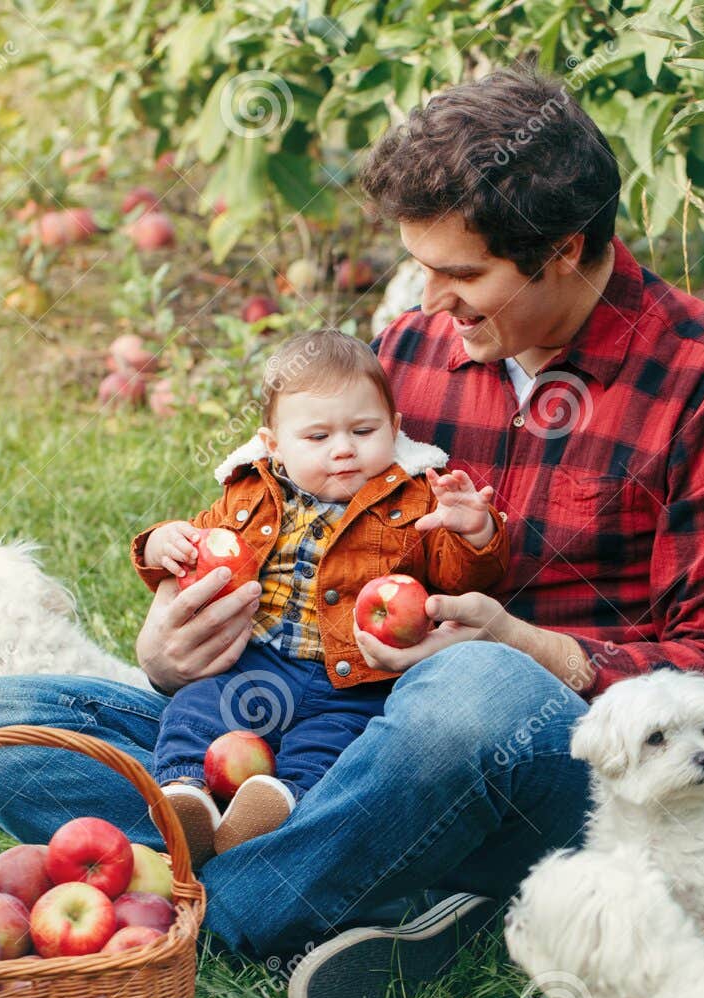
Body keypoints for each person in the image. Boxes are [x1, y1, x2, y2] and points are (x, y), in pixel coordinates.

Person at [0, 64, 704, 998]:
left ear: (565, 250)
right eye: (421, 265)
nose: (431, 299)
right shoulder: (412, 353)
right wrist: (170, 651)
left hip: (555, 763)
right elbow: (293, 531)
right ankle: (386, 891)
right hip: (343, 732)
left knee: (470, 688)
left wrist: (526, 646)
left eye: (463, 274)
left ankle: (198, 915)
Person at [132, 329, 509, 867]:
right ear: (274, 445)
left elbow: (461, 575)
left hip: (352, 681)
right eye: (317, 437)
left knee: (333, 748)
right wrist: (158, 544)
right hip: (252, 664)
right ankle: (186, 798)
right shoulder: (250, 494)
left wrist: (474, 533)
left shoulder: (417, 497)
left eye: (363, 429)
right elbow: (196, 549)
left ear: (395, 428)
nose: (343, 449)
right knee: (194, 712)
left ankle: (276, 807)